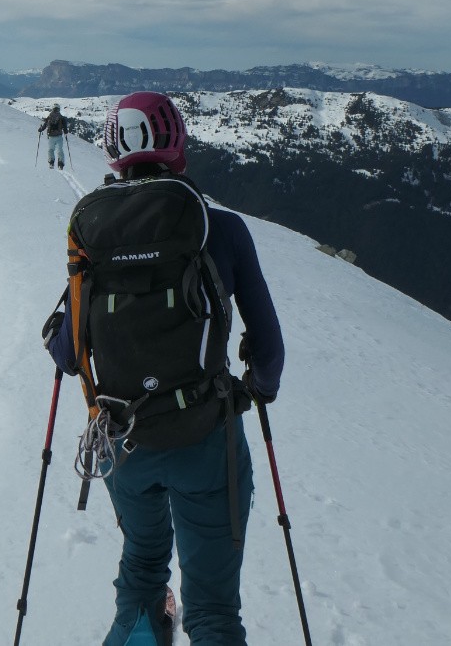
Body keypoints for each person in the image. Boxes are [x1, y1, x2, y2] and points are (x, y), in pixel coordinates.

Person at [43, 92, 284, 646]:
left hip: (121, 440)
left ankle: (141, 625)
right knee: (214, 611)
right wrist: (256, 390)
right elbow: (268, 349)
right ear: (176, 143)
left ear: (111, 152)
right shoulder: (219, 229)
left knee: (143, 572)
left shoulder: (93, 231)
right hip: (205, 436)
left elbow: (67, 353)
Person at [38, 103, 69, 169]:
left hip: (51, 137)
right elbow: (65, 130)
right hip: (59, 137)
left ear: (53, 109)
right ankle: (60, 164)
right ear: (58, 109)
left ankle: (51, 163)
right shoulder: (62, 118)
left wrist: (40, 129)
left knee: (51, 150)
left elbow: (44, 126)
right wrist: (66, 132)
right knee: (60, 150)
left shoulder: (49, 117)